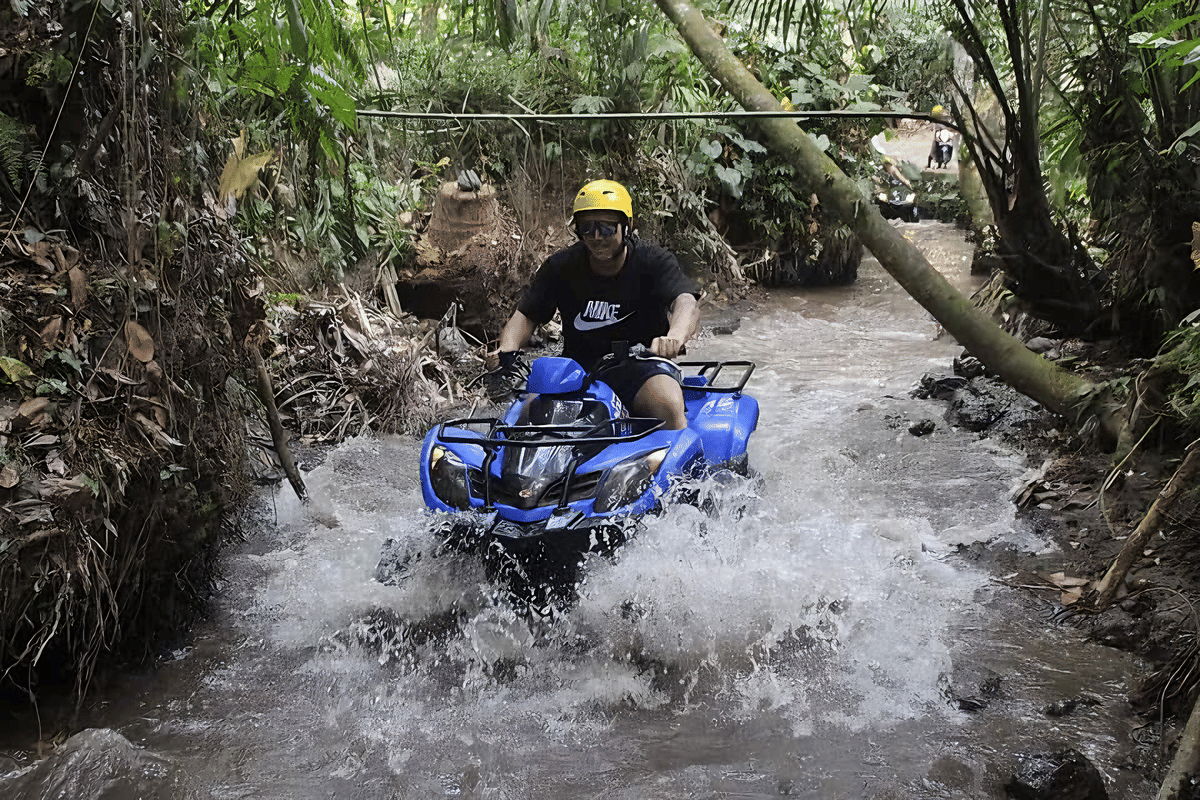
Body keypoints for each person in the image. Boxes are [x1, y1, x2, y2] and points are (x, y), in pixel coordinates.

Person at [490, 179, 700, 430]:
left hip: (642, 366)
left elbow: (685, 302)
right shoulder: (561, 266)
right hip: (576, 369)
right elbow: (526, 315)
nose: (597, 237)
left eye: (606, 228)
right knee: (526, 416)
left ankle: (673, 447)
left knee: (668, 404)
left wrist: (675, 336)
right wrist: (506, 351)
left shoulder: (653, 262)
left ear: (627, 226)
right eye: (587, 228)